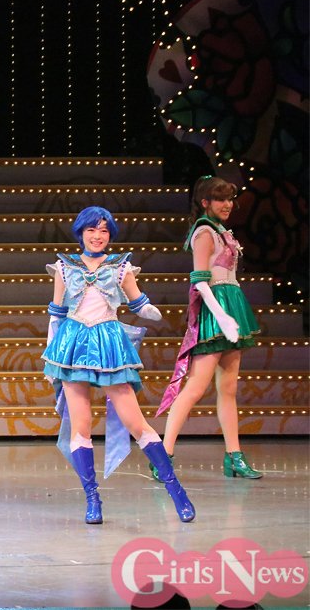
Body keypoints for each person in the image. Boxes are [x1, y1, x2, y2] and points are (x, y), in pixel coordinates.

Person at [42, 206, 195, 523]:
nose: (97, 236)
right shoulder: (64, 267)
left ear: (110, 235)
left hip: (109, 345)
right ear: (81, 233)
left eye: (103, 230)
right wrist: (51, 354)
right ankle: (92, 500)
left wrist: (150, 311)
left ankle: (177, 491)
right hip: (72, 346)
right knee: (81, 425)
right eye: (91, 230)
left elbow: (138, 301)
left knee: (136, 422)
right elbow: (56, 313)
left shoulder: (121, 267)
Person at [156, 176, 262, 479]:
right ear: (206, 202)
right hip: (215, 312)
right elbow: (200, 281)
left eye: (230, 199)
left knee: (228, 388)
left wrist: (233, 315)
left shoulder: (221, 231)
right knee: (195, 387)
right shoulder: (204, 231)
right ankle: (163, 455)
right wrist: (222, 318)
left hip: (232, 304)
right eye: (220, 199)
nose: (227, 204)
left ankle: (234, 456)